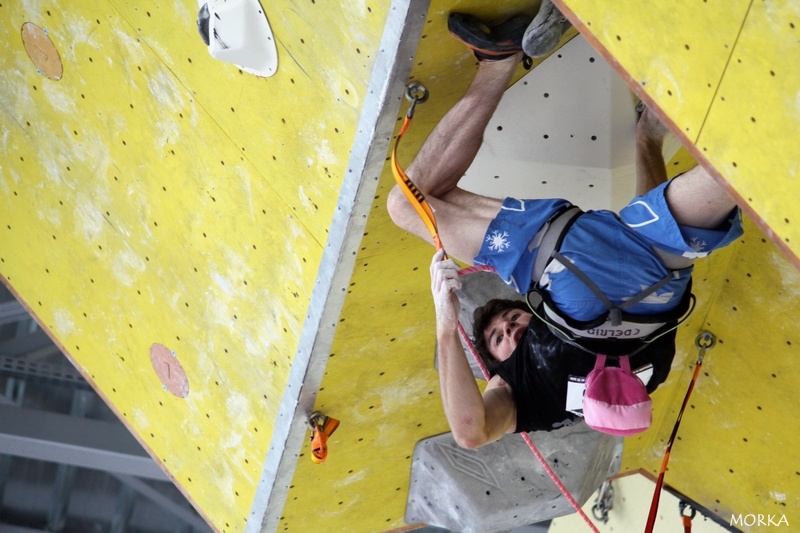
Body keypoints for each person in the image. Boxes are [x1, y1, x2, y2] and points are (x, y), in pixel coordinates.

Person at [386, 11, 743, 448]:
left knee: (409, 201)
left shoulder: (533, 396)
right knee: (742, 169)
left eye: (504, 327)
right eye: (504, 334)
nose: (511, 330)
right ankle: (506, 68)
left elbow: (472, 432)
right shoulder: (531, 402)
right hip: (624, 263)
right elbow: (470, 432)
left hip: (582, 259)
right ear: (498, 374)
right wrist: (445, 324)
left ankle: (505, 65)